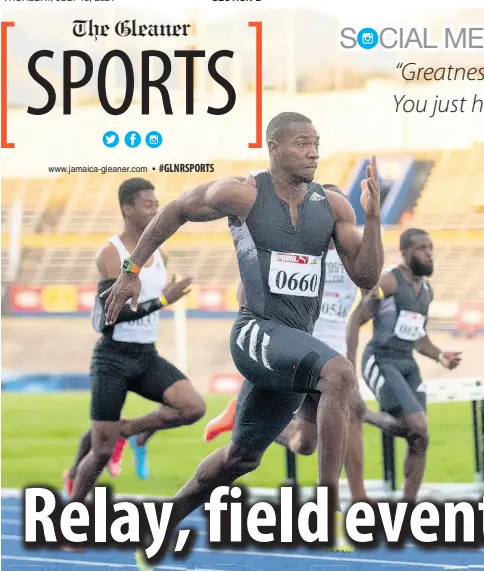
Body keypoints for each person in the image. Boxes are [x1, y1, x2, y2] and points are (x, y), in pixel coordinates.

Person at [101, 112, 383, 556]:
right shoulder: (242, 194)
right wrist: (131, 269)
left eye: (317, 143)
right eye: (302, 143)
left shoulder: (332, 207)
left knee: (241, 459)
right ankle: (328, 509)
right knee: (340, 374)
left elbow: (366, 275)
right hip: (255, 332)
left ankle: (161, 524)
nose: (314, 152)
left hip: (291, 346)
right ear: (274, 146)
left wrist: (374, 220)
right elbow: (176, 210)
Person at [203, 183, 374, 505]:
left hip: (334, 349)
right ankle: (350, 498)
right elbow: (249, 292)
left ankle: (238, 419)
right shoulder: (297, 250)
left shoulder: (352, 253)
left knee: (306, 442)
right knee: (352, 410)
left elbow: (365, 296)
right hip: (300, 348)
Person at [67, 177, 206, 505]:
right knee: (100, 451)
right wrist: (162, 301)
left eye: (157, 204)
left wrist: (161, 300)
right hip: (113, 358)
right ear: (127, 208)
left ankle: (127, 431)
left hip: (146, 356)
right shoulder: (110, 253)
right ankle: (70, 516)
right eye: (147, 205)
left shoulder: (160, 255)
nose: (155, 210)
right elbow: (112, 316)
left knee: (193, 406)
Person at [346, 228, 462, 502]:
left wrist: (441, 356)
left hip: (408, 364)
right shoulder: (390, 282)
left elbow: (419, 337)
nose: (429, 253)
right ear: (406, 252)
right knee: (417, 426)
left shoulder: (427, 292)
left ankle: (408, 506)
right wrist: (349, 370)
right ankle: (364, 414)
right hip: (381, 360)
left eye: (431, 247)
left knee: (420, 438)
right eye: (422, 248)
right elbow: (355, 321)